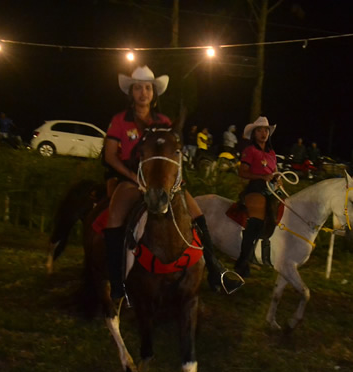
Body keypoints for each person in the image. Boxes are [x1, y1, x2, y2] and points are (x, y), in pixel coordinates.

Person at [102, 66, 242, 306]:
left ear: (154, 93)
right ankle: (117, 283)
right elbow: (110, 156)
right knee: (114, 219)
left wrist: (172, 180)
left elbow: (172, 156)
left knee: (198, 216)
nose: (143, 92)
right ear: (131, 92)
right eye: (138, 88)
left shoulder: (164, 121)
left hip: (162, 181)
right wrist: (134, 177)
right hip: (131, 179)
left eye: (148, 88)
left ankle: (216, 270)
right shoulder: (120, 120)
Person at [234, 116, 279, 278]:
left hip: (271, 189)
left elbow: (274, 172)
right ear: (254, 134)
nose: (263, 133)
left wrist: (277, 179)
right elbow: (242, 172)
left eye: (266, 130)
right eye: (259, 130)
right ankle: (242, 262)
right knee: (256, 223)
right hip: (255, 188)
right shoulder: (250, 150)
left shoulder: (272, 153)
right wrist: (261, 177)